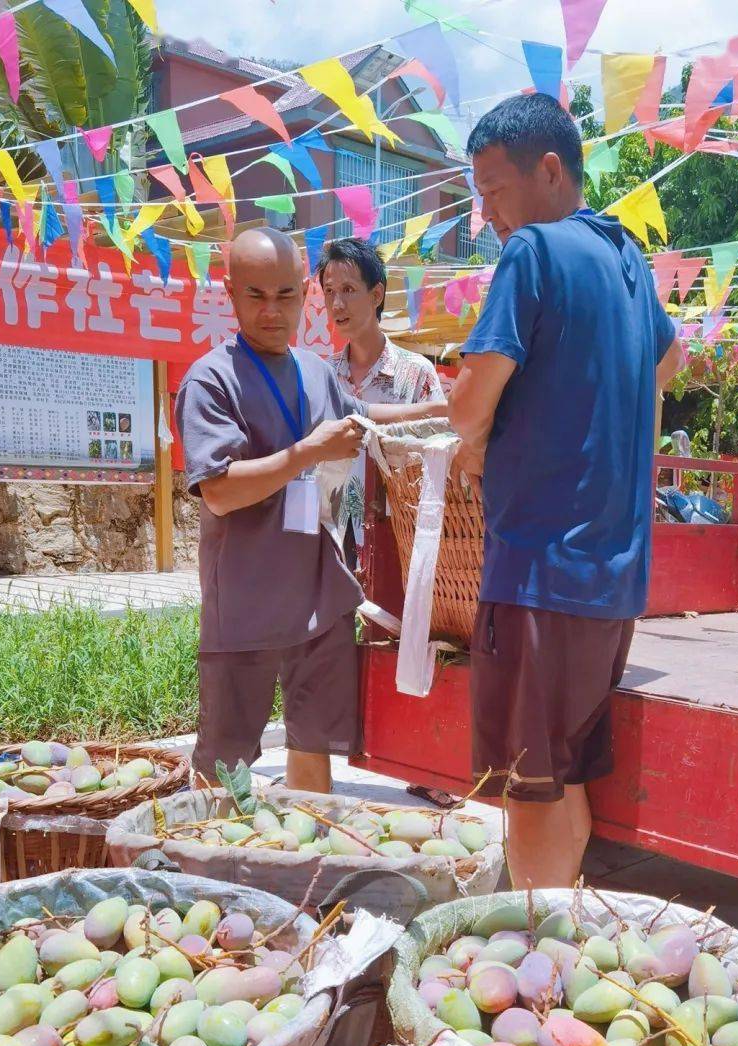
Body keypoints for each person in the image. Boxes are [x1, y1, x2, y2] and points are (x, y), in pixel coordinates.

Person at [448, 94, 685, 889]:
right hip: (611, 582)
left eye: (494, 190)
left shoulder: (536, 255)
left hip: (540, 572)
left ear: (549, 171)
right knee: (565, 774)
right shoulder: (626, 259)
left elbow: (469, 402)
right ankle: (564, 933)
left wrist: (481, 444)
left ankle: (536, 957)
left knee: (529, 786)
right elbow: (668, 363)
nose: (489, 214)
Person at [176, 227, 445, 793]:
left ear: (304, 293)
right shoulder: (210, 379)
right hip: (245, 604)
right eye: (256, 296)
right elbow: (220, 491)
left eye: (285, 295)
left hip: (320, 600)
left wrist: (452, 406)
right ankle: (206, 874)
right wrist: (307, 452)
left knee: (312, 747)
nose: (272, 311)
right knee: (225, 766)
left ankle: (305, 874)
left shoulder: (316, 370)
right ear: (230, 292)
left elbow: (364, 414)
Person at [318, 237, 445, 557]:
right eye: (329, 291)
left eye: (347, 290)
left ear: (377, 294)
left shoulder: (417, 375)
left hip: (400, 538)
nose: (336, 305)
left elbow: (440, 458)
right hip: (329, 538)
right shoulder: (322, 376)